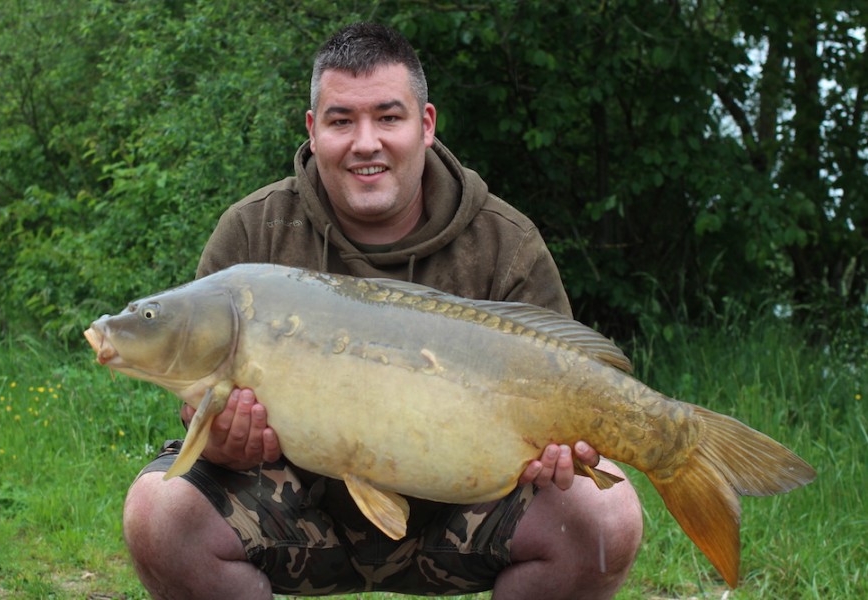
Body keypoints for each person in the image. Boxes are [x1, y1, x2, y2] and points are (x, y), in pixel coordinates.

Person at [123, 22, 642, 600]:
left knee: (608, 512)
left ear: (425, 125)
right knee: (159, 510)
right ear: (313, 130)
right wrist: (224, 442)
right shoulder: (253, 233)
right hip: (298, 513)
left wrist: (566, 452)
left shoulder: (506, 242)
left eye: (388, 118)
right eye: (342, 120)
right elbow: (202, 425)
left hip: (463, 511)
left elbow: (571, 388)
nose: (365, 142)